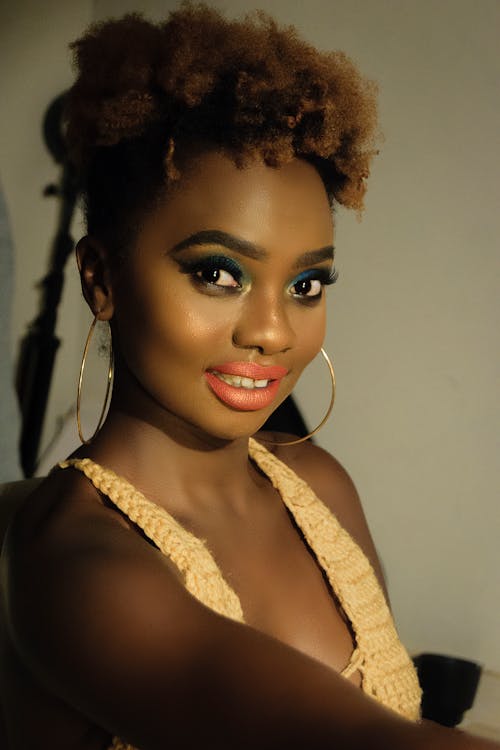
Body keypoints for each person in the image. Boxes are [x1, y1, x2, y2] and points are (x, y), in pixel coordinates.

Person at [0, 6, 497, 749]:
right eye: (218, 273)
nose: (271, 331)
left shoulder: (322, 487)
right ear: (101, 279)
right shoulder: (77, 568)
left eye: (306, 285)